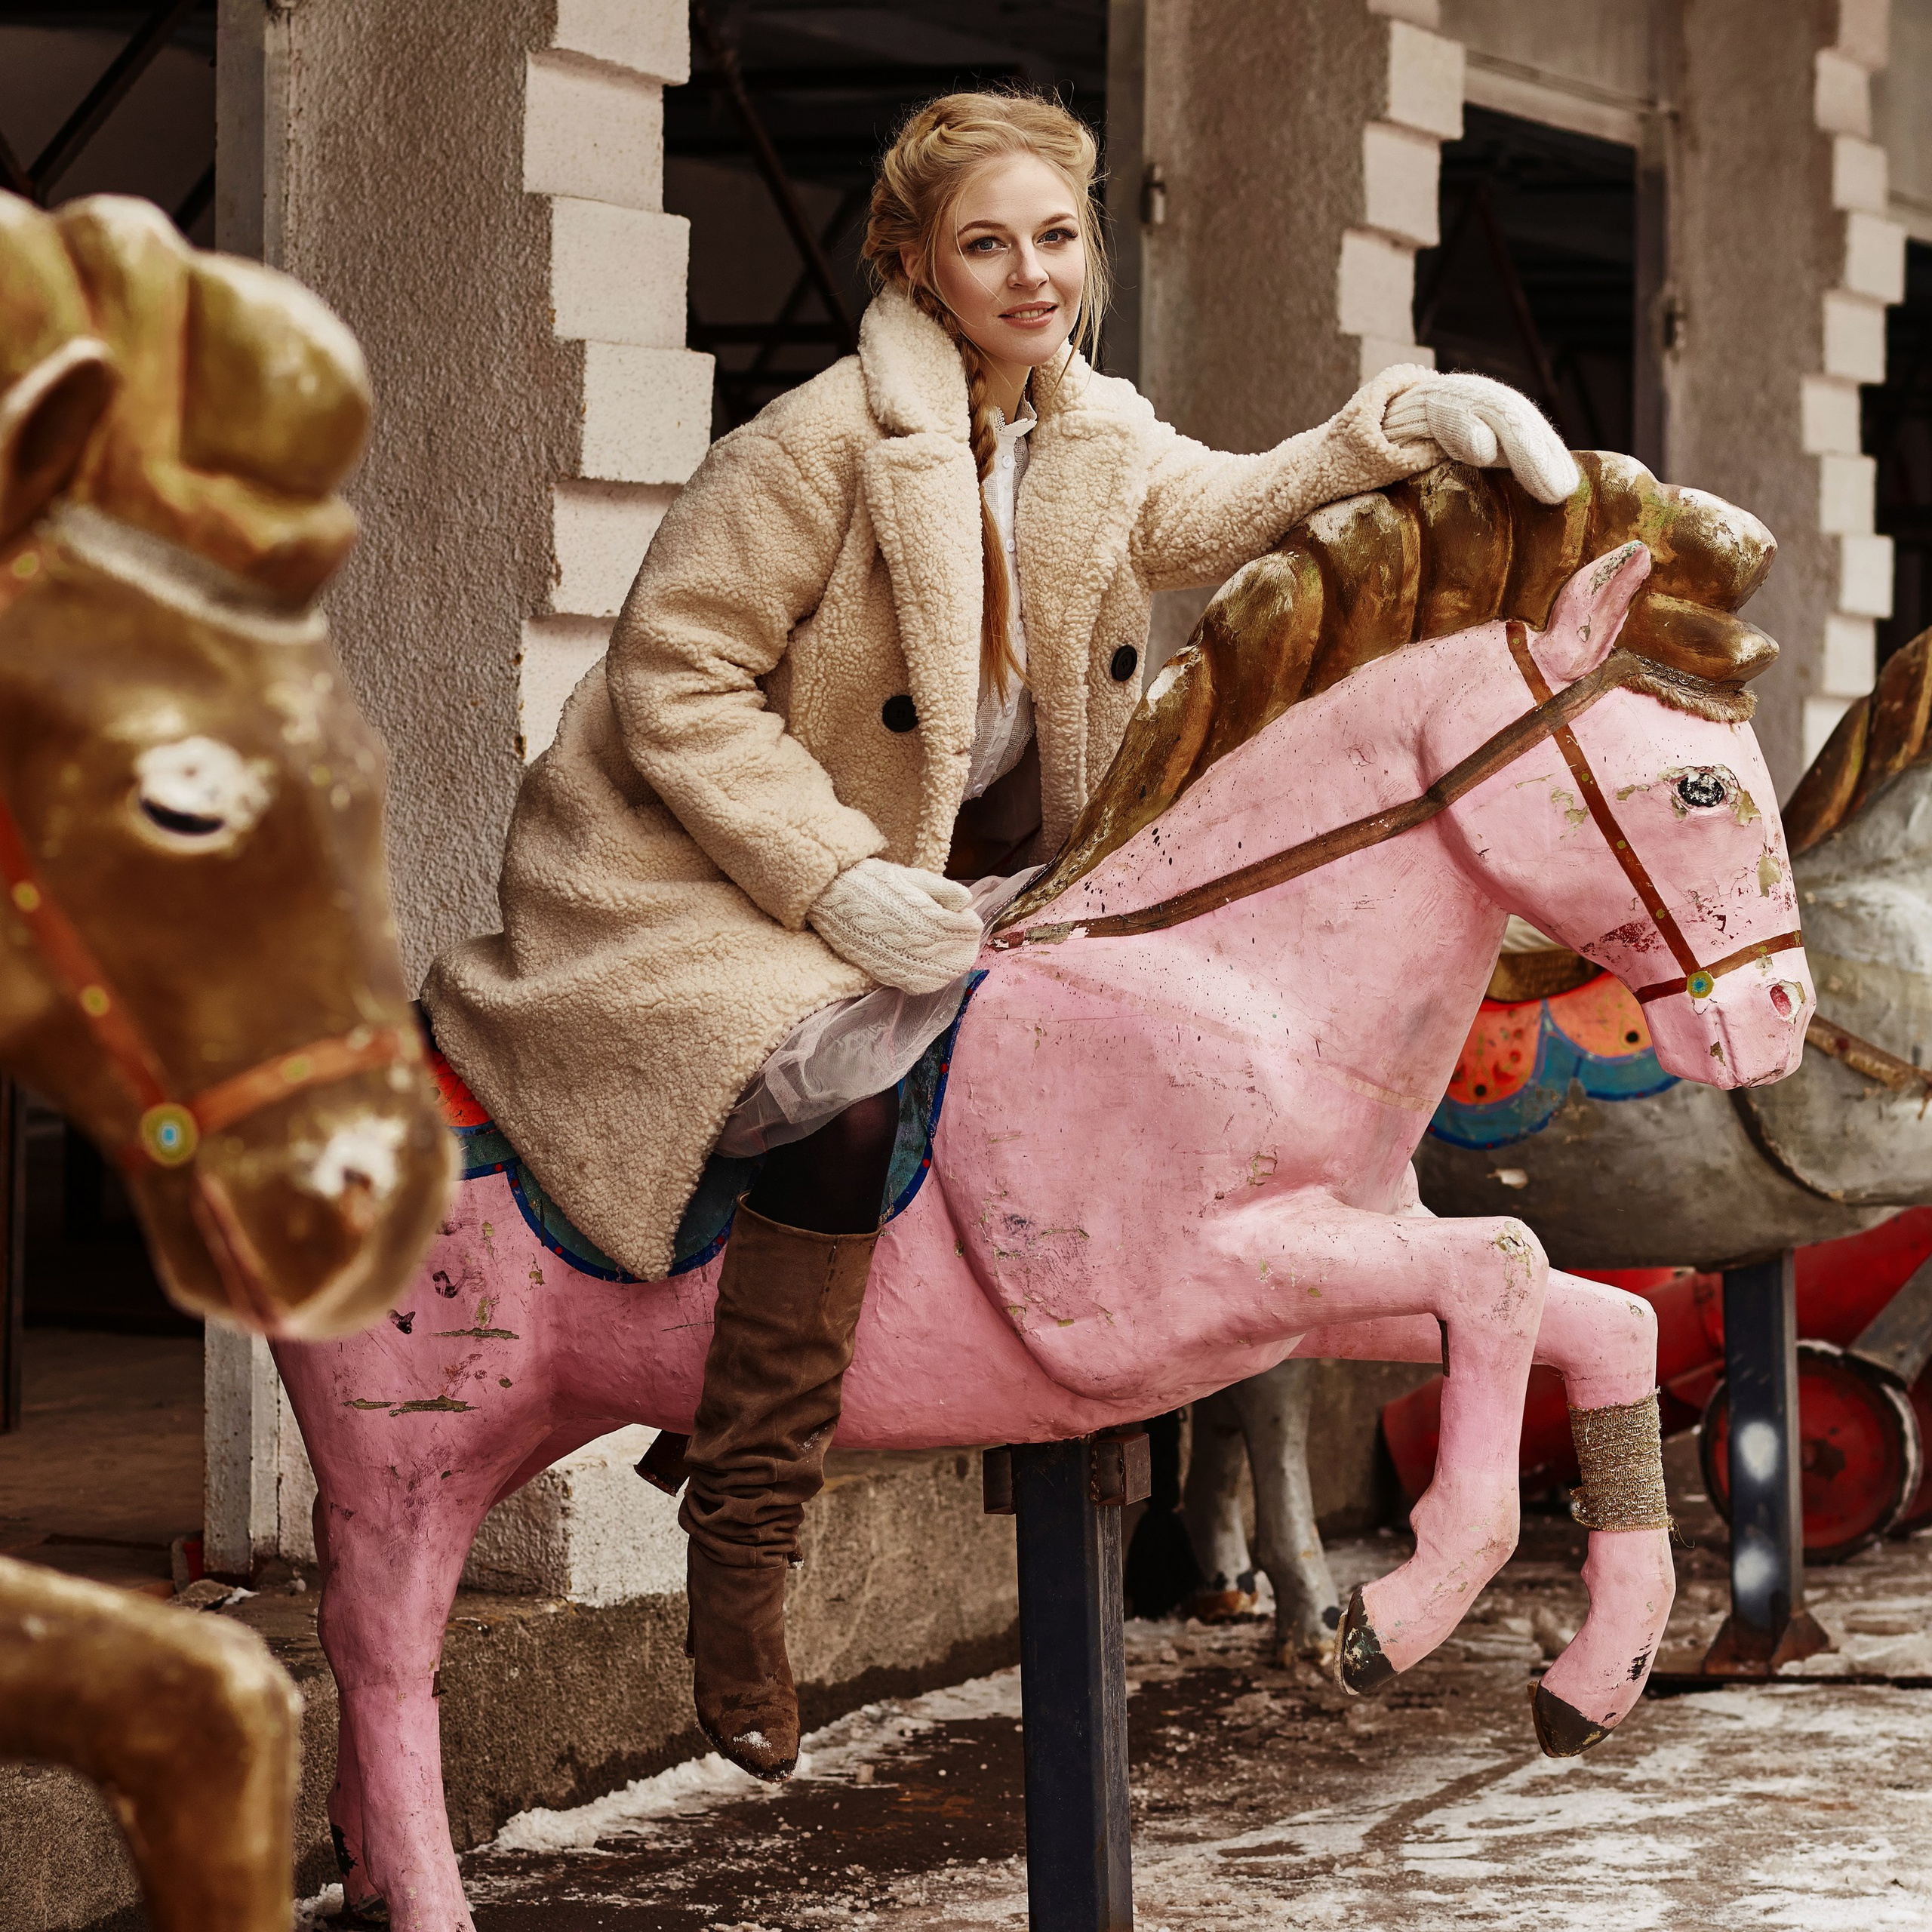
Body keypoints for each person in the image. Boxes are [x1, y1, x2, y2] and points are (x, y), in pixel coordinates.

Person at [424, 91, 1576, 1782]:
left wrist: (1385, 427)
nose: (1030, 274)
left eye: (1056, 237)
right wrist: (827, 877)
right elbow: (673, 678)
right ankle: (742, 1528)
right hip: (718, 879)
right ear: (913, 264)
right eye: (986, 244)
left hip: (969, 879)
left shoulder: (1086, 428)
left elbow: (1198, 513)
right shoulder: (809, 446)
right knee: (831, 1089)